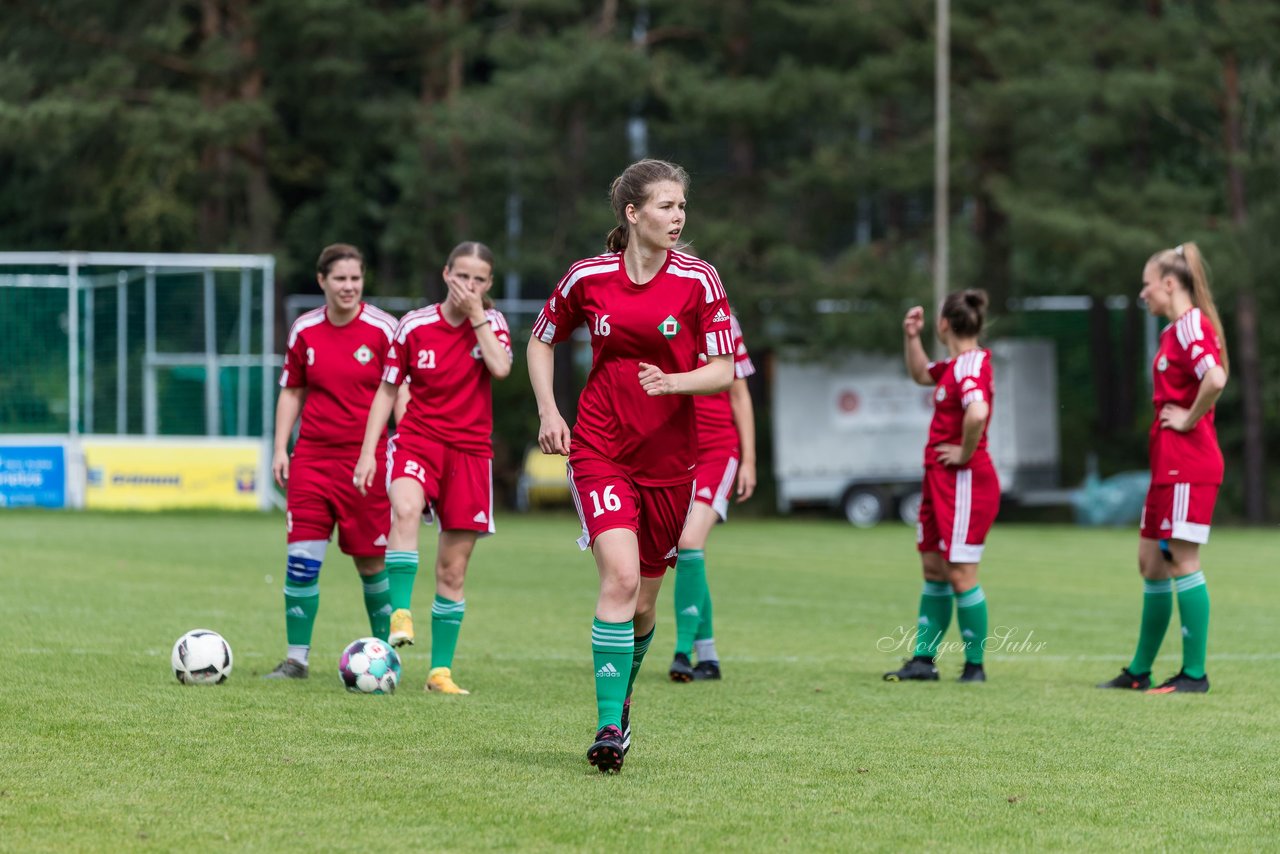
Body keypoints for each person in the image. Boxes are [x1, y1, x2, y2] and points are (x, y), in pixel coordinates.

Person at [528, 158, 735, 773]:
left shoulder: (699, 280)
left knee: (645, 603)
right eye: (666, 206)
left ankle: (623, 695)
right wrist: (548, 410)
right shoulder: (588, 277)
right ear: (632, 212)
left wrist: (674, 383)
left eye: (681, 207)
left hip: (671, 460)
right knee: (617, 580)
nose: (678, 217)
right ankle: (609, 724)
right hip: (599, 447)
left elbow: (723, 370)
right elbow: (542, 338)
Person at [353, 241, 512, 695]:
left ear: (489, 285)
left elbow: (500, 368)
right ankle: (400, 612)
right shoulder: (415, 325)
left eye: (479, 279)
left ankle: (439, 672)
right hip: (418, 442)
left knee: (452, 571)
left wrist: (478, 314)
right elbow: (387, 390)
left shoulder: (493, 323)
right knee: (404, 508)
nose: (470, 286)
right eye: (463, 276)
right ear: (446, 275)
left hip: (470, 454)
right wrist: (369, 451)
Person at [265, 243, 399, 679]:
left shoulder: (383, 329)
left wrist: (400, 451)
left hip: (368, 464)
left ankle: (384, 659)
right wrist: (279, 446)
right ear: (321, 280)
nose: (348, 287)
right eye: (340, 279)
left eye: (355, 279)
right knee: (301, 560)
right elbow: (292, 390)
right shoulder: (304, 330)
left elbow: (398, 393)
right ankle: (296, 660)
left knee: (371, 564)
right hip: (312, 462)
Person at [1099, 242, 1227, 694]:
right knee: (1151, 563)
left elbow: (1216, 378)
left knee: (1182, 560)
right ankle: (1139, 672)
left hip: (1189, 465)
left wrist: (1189, 418)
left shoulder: (1192, 324)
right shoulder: (1173, 331)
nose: (1142, 293)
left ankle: (1195, 675)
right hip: (1167, 466)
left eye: (1146, 284)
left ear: (1170, 284)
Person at [884, 290, 999, 684]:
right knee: (934, 568)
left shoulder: (968, 367)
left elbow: (978, 411)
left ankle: (975, 666)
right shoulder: (955, 365)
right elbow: (920, 374)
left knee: (961, 572)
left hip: (964, 480)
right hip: (940, 480)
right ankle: (923, 660)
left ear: (944, 324)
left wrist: (966, 452)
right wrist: (911, 336)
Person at [669, 313, 757, 682]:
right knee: (688, 551)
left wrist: (749, 460)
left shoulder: (724, 323)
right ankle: (708, 657)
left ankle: (681, 651)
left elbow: (739, 395)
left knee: (689, 541)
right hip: (675, 451)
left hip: (718, 451)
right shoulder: (663, 317)